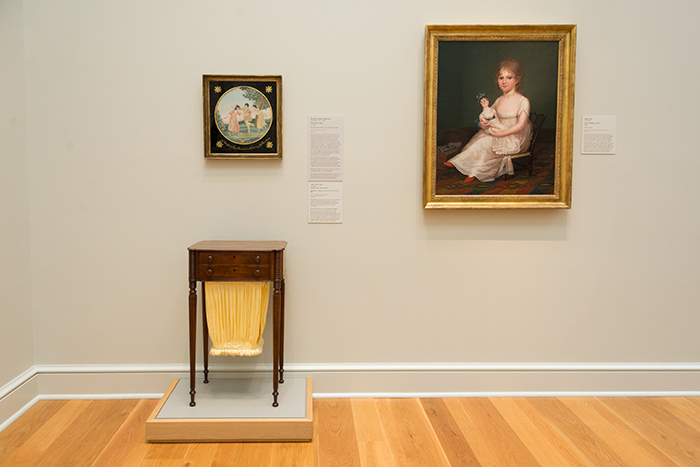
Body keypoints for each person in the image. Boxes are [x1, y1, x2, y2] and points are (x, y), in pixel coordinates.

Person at [445, 59, 533, 183]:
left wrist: (502, 134)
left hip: (515, 136)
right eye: (501, 78)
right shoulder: (498, 100)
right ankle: (461, 163)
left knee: (487, 142)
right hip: (498, 131)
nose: (504, 81)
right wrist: (483, 124)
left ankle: (476, 172)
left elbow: (520, 125)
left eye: (509, 77)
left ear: (517, 80)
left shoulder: (523, 101)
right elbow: (489, 115)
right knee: (481, 139)